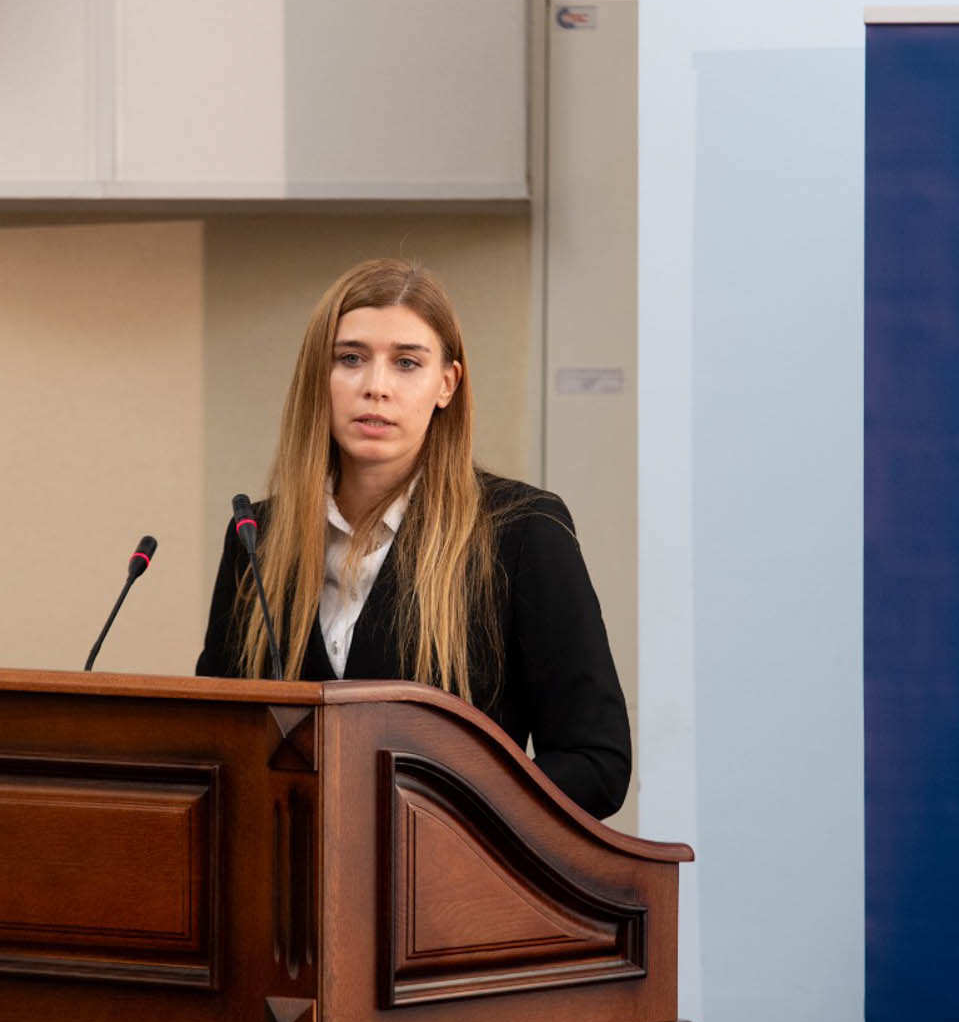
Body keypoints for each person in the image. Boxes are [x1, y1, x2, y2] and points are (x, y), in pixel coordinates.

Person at [195, 258, 632, 819]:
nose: (376, 387)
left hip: (450, 869)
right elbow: (214, 746)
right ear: (317, 377)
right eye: (350, 359)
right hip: (282, 870)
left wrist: (452, 815)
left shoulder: (522, 531)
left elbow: (596, 763)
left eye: (406, 363)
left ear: (446, 384)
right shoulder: (257, 538)